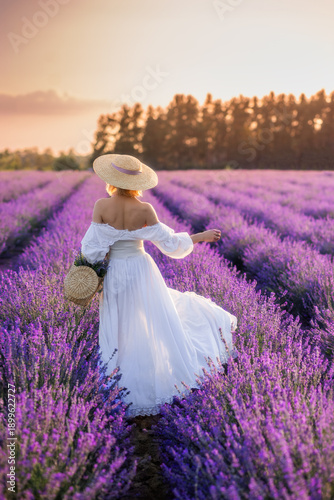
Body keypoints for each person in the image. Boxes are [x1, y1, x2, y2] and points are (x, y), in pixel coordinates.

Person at [81, 154, 238, 418]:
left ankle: (120, 386)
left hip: (116, 272)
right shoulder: (144, 209)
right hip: (141, 269)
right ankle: (153, 378)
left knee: (119, 325)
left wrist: (90, 273)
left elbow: (92, 249)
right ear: (137, 182)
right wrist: (200, 236)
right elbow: (170, 244)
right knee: (150, 322)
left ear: (111, 179)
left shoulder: (101, 205)